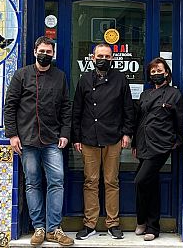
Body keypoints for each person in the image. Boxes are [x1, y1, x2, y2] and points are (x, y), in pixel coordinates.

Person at [4, 36, 74, 247]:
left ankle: (54, 229)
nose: (45, 55)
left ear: (53, 55)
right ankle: (39, 228)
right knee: (32, 183)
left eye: (49, 52)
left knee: (57, 182)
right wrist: (13, 135)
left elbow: (65, 107)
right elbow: (10, 106)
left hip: (53, 139)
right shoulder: (21, 75)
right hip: (27, 139)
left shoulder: (60, 76)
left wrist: (65, 133)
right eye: (42, 51)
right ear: (35, 52)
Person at [72, 43, 135, 240]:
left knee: (111, 182)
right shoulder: (84, 80)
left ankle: (113, 223)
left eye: (107, 56)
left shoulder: (120, 79)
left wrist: (127, 133)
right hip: (89, 138)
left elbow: (128, 109)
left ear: (112, 59)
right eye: (100, 56)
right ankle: (89, 224)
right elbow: (77, 111)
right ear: (93, 58)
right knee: (90, 182)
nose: (104, 59)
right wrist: (76, 137)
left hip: (113, 138)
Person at [132, 57, 183, 241]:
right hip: (144, 144)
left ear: (167, 73)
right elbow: (139, 119)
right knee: (150, 184)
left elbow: (179, 120)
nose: (156, 74)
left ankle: (145, 222)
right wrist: (134, 144)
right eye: (153, 71)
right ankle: (150, 226)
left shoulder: (174, 94)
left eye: (159, 70)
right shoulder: (145, 95)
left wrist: (176, 141)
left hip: (161, 146)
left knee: (140, 181)